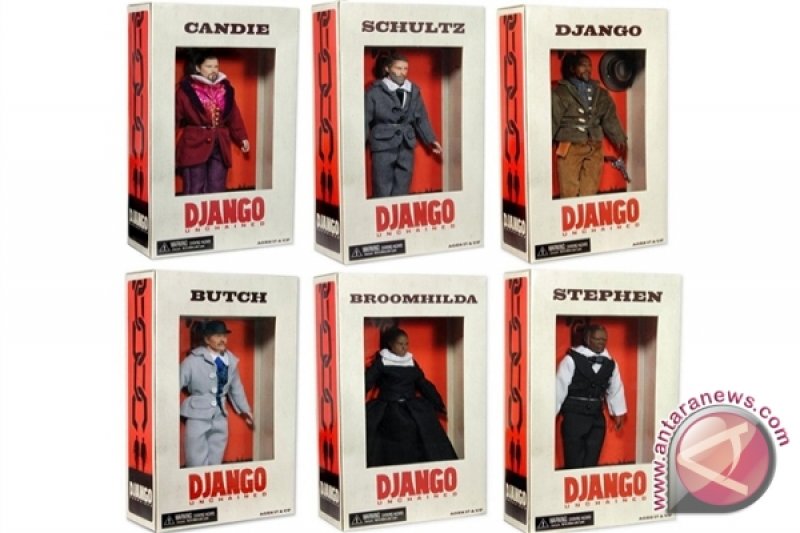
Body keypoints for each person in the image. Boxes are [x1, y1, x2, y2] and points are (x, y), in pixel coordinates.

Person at [365, 327, 457, 467]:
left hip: (411, 404)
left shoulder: (410, 361)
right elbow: (367, 382)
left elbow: (423, 384)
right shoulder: (382, 362)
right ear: (391, 344)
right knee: (391, 432)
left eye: (406, 344)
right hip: (389, 405)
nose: (404, 347)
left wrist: (438, 403)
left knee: (425, 428)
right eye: (400, 344)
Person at [365, 53, 443, 198]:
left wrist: (431, 140)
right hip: (383, 144)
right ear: (388, 69)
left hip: (406, 144)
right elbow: (365, 119)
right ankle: (382, 208)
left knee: (403, 182)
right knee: (382, 184)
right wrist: (359, 144)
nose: (402, 72)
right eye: (398, 68)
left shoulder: (413, 90)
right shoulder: (374, 92)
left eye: (405, 69)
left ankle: (398, 209)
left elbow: (421, 118)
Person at [552, 52, 627, 198]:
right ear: (573, 68)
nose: (587, 69)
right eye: (583, 65)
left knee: (590, 188)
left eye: (589, 66)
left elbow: (609, 116)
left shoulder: (600, 93)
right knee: (569, 189)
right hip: (570, 145)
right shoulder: (561, 92)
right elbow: (554, 118)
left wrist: (618, 136)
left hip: (594, 145)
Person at [180, 320, 254, 467]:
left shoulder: (230, 361)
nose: (223, 340)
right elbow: (174, 383)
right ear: (207, 339)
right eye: (218, 336)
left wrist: (245, 410)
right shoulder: (192, 361)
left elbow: (236, 388)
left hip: (220, 415)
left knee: (216, 453)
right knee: (195, 457)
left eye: (224, 336)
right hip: (197, 415)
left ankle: (211, 477)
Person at [176, 50, 250, 195]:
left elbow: (234, 116)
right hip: (194, 144)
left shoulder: (225, 89)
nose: (213, 70)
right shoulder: (186, 90)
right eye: (209, 66)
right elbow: (175, 116)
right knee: (194, 186)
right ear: (198, 68)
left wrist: (242, 138)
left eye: (216, 66)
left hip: (220, 143)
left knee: (217, 185)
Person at [555, 324, 627, 469]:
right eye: (597, 339)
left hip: (596, 417)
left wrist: (618, 412)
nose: (601, 343)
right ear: (587, 339)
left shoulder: (610, 364)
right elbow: (558, 388)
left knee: (592, 456)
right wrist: (551, 414)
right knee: (574, 457)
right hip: (574, 416)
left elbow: (615, 388)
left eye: (604, 340)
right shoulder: (571, 360)